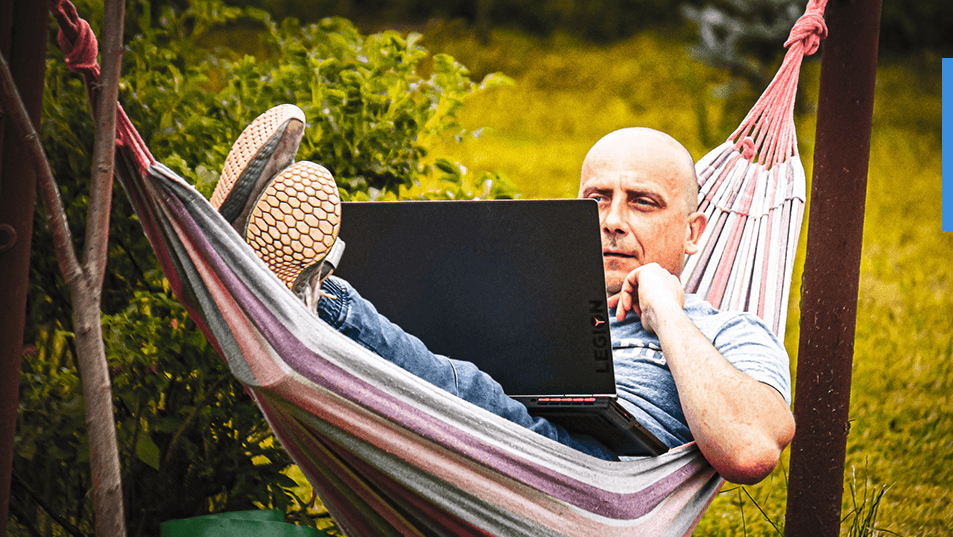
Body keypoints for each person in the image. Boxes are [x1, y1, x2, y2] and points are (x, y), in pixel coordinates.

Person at [210, 105, 795, 484]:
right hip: (456, 427)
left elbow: (749, 449)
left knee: (467, 386)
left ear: (693, 232)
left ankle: (299, 293)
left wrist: (666, 310)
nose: (612, 220)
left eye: (641, 202)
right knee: (441, 346)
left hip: (581, 481)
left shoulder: (727, 333)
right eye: (596, 200)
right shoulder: (531, 290)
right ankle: (278, 285)